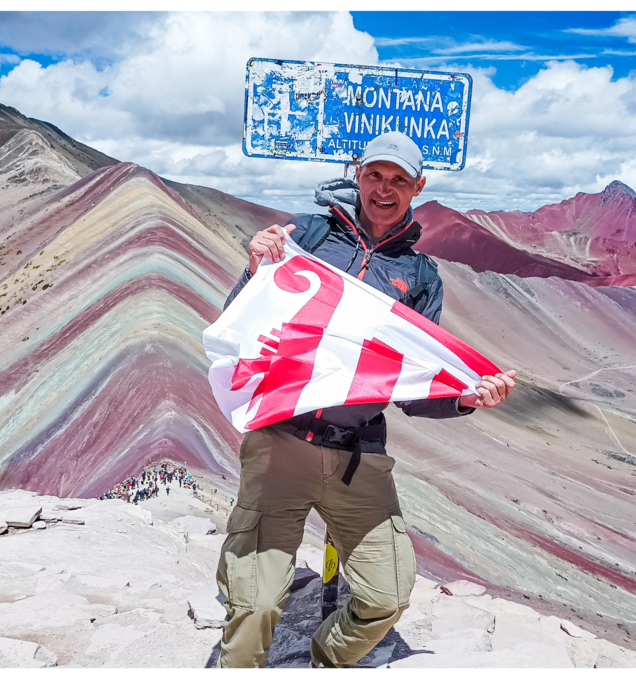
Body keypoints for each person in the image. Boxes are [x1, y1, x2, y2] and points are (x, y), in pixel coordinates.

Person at [214, 131, 517, 668]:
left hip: (360, 456)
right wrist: (256, 264)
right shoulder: (305, 236)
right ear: (358, 175)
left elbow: (413, 389)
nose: (385, 188)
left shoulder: (420, 277)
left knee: (386, 596)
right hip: (283, 439)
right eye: (376, 175)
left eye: (399, 179)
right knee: (256, 605)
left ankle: (324, 661)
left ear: (418, 187)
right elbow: (244, 317)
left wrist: (467, 397)